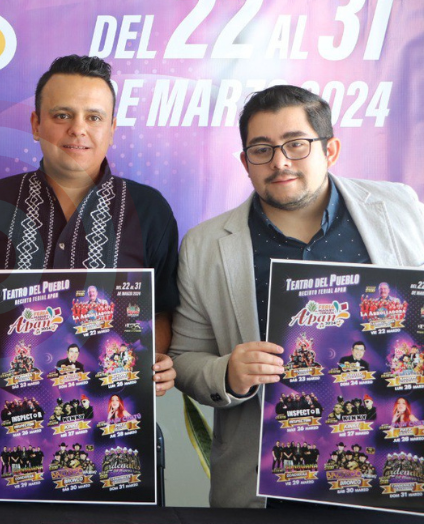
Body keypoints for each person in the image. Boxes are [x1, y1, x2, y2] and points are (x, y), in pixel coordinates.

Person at [170, 84, 424, 508]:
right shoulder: (205, 245)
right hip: (268, 485)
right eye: (262, 149)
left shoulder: (400, 208)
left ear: (330, 149)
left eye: (296, 144)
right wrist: (228, 373)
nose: (280, 161)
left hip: (394, 472)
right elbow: (183, 358)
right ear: (245, 162)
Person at [0, 55, 179, 503]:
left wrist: (157, 364)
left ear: (112, 128)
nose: (78, 129)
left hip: (120, 435)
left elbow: (160, 314)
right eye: (62, 115)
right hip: (11, 437)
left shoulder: (149, 209)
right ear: (36, 124)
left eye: (93, 117)